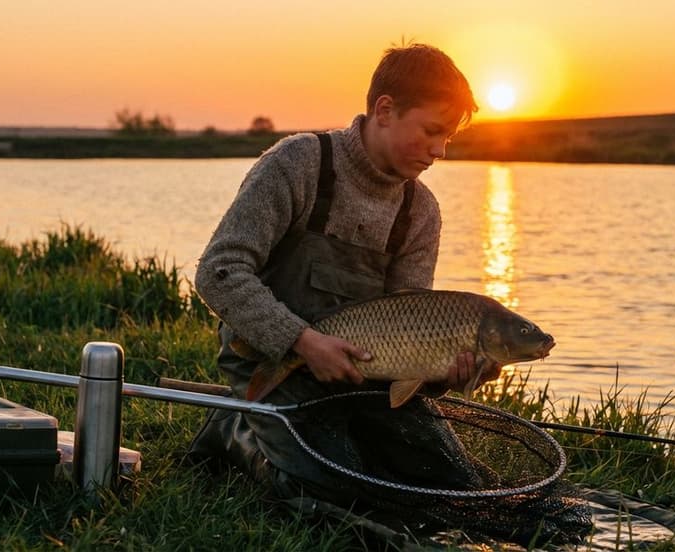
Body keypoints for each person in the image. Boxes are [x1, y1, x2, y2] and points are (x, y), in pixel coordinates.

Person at [189, 43, 499, 505]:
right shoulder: (299, 163)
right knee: (325, 491)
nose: (440, 151)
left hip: (362, 379)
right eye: (433, 131)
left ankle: (284, 432)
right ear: (385, 110)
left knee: (445, 484)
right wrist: (303, 341)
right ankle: (235, 429)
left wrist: (446, 372)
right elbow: (219, 272)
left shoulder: (421, 212)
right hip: (271, 360)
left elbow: (412, 330)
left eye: (449, 137)